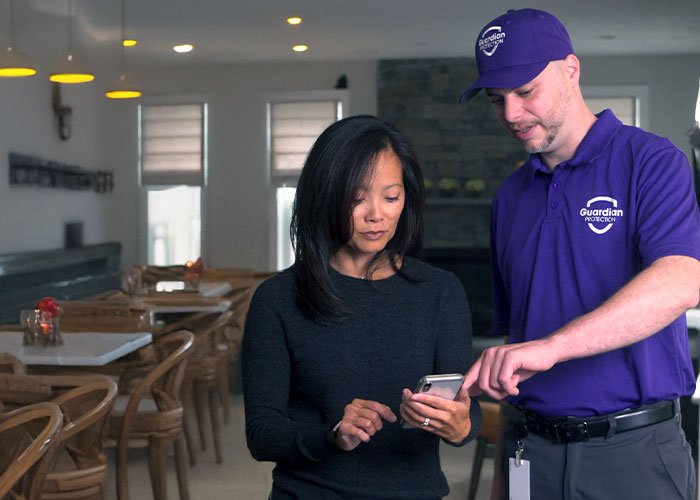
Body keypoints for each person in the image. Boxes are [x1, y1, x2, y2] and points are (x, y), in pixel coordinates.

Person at [459, 8, 700, 500]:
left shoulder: (651, 161)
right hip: (531, 448)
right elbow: (518, 344)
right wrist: (505, 474)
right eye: (497, 99)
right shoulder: (509, 197)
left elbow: (681, 280)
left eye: (526, 91)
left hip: (634, 453)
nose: (510, 114)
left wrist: (553, 348)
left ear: (571, 69)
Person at [242, 114, 482, 500]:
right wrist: (333, 435)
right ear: (326, 196)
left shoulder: (441, 292)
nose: (377, 214)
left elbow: (469, 418)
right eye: (357, 198)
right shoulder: (278, 298)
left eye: (391, 197)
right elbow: (262, 434)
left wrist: (458, 426)